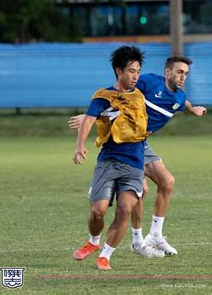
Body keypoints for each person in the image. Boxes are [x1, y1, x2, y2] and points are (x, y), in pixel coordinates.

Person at [69, 56, 207, 257]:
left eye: (186, 73)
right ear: (167, 72)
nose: (183, 76)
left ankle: (155, 237)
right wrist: (93, 113)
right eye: (179, 72)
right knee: (141, 189)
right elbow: (119, 92)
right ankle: (137, 241)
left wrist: (193, 108)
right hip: (125, 143)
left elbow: (182, 103)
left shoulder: (178, 97)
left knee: (167, 182)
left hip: (141, 144)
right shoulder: (150, 82)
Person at [72, 45, 157, 270]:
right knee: (97, 210)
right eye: (131, 71)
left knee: (125, 209)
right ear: (119, 71)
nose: (136, 76)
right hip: (108, 160)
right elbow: (89, 119)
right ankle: (93, 243)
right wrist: (80, 145)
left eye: (138, 71)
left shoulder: (140, 94)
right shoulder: (104, 97)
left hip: (134, 162)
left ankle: (106, 256)